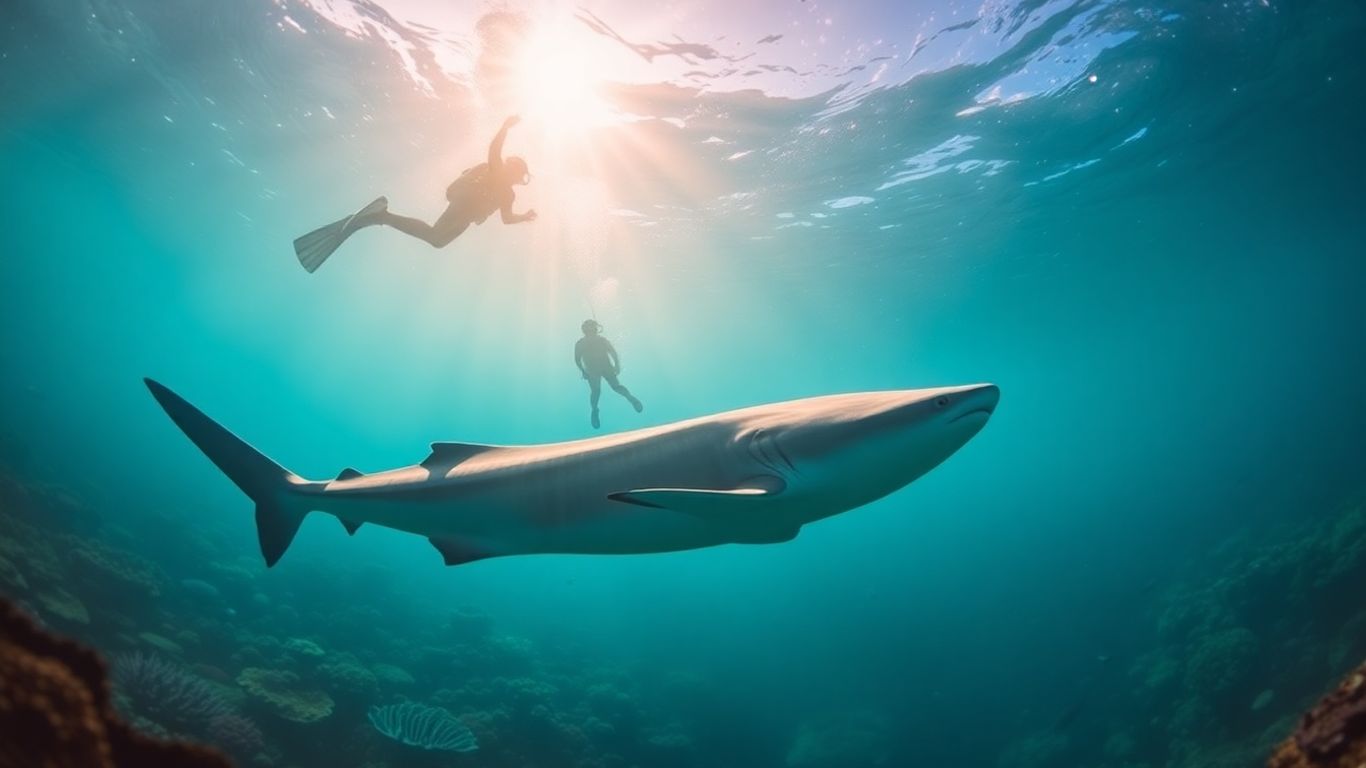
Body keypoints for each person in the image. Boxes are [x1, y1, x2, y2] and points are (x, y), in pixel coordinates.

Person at [293, 116, 537, 272]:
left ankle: (382, 216)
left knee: (437, 240)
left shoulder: (508, 195)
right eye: (517, 173)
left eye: (518, 176)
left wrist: (523, 217)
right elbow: (495, 148)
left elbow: (506, 218)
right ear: (513, 169)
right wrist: (504, 127)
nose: (516, 178)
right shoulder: (495, 171)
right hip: (464, 205)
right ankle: (382, 216)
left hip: (466, 215)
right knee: (435, 237)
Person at [574, 320, 643, 429]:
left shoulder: (601, 341)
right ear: (585, 330)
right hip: (593, 370)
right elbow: (577, 359)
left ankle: (631, 398)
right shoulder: (581, 343)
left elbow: (613, 353)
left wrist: (617, 365)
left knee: (613, 387)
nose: (591, 331)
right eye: (589, 329)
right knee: (597, 391)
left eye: (592, 328)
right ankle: (595, 410)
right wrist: (583, 371)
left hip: (604, 368)